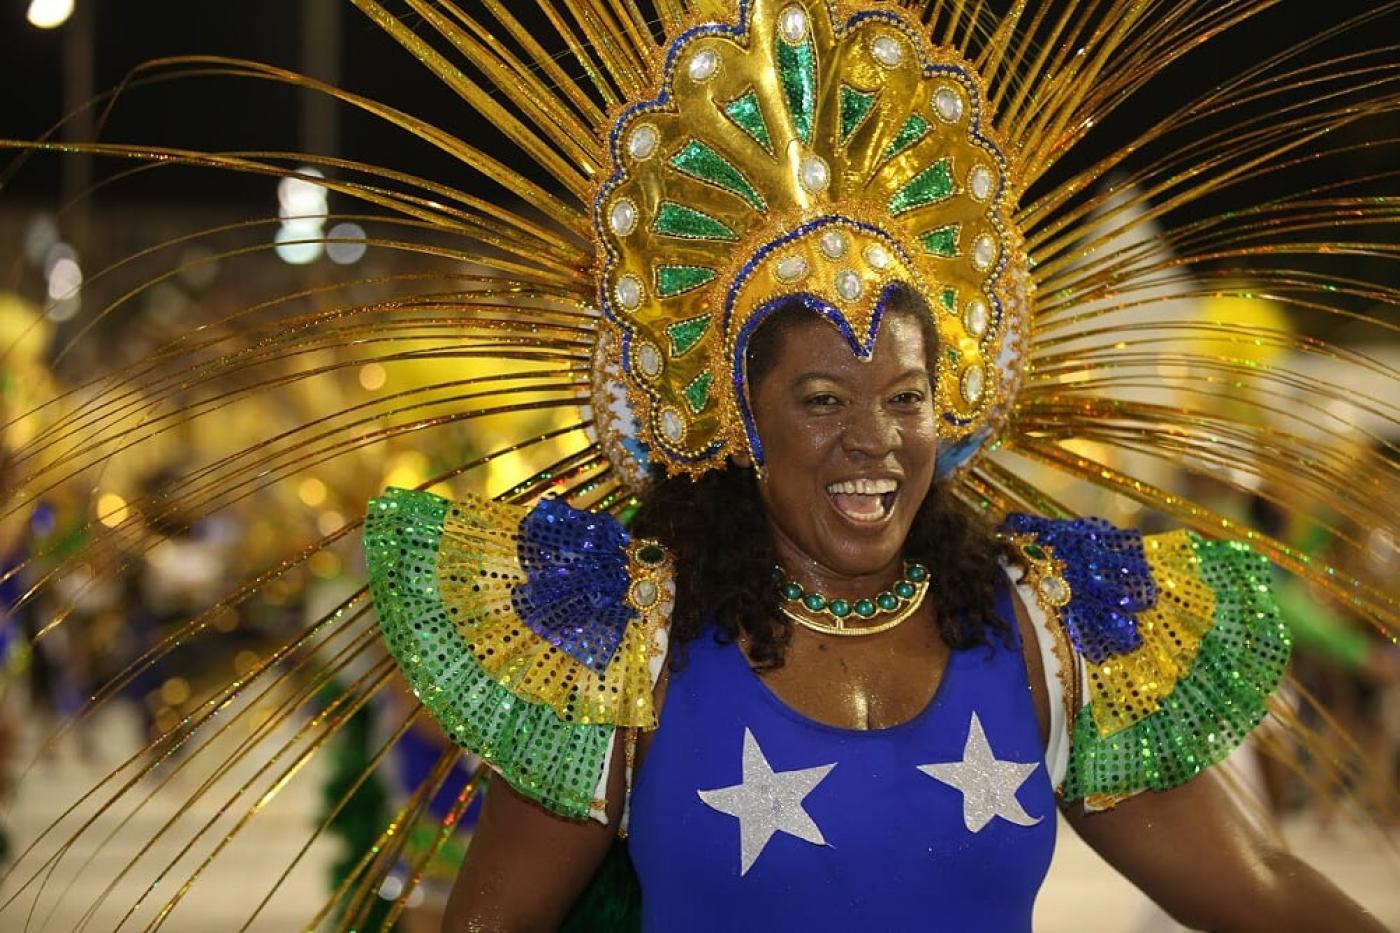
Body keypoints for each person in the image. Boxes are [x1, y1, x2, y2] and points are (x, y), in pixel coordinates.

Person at [2, 1, 1396, 929]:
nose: (874, 437)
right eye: (822, 396)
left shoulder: (1041, 628)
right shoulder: (630, 642)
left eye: (907, 396)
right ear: (735, 418)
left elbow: (1264, 887)